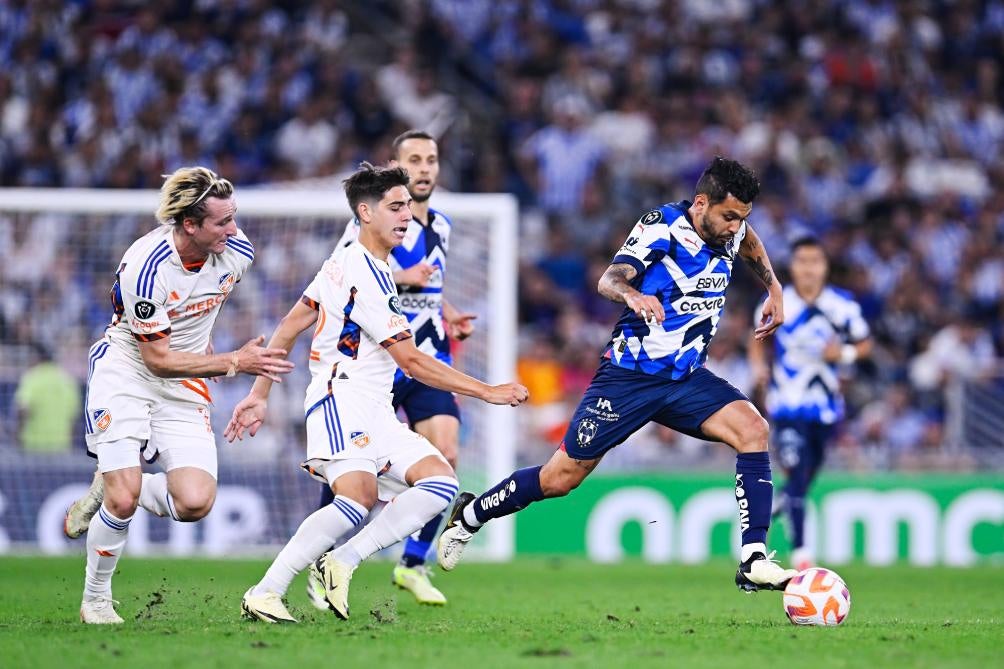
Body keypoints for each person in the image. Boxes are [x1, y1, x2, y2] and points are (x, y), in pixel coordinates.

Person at [437, 156, 799, 592]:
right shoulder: (661, 228)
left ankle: (753, 559)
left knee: (752, 429)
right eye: (728, 216)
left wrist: (773, 286)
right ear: (701, 203)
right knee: (559, 479)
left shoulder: (732, 225)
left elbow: (748, 241)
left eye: (741, 218)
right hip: (628, 378)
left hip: (684, 377)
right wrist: (633, 296)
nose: (734, 226)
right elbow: (608, 280)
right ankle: (471, 515)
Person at [229, 163, 527, 624]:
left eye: (408, 205)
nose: (407, 215)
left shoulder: (358, 263)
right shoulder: (362, 272)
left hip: (376, 406)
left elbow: (290, 325)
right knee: (356, 498)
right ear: (365, 212)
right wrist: (486, 390)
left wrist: (259, 394)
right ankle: (266, 591)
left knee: (439, 482)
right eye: (395, 206)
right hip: (340, 397)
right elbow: (412, 361)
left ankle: (341, 561)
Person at [62, 166, 295, 625]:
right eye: (222, 222)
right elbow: (157, 360)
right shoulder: (146, 268)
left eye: (234, 218)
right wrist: (233, 362)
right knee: (124, 499)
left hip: (184, 379)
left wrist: (207, 347)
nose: (235, 230)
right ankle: (96, 598)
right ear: (190, 225)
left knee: (194, 502)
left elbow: (193, 318)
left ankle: (108, 483)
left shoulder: (237, 253)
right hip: (128, 371)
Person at [312, 129, 475, 606]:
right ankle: (324, 562)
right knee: (354, 471)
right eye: (415, 160)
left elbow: (432, 287)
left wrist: (448, 314)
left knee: (445, 457)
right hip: (380, 362)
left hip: (427, 359)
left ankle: (412, 565)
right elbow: (340, 281)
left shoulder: (440, 225)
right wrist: (402, 277)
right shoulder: (367, 226)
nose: (425, 168)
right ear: (397, 167)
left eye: (432, 159)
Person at [748, 236, 872, 571]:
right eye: (802, 261)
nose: (808, 269)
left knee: (804, 478)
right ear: (793, 266)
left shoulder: (842, 305)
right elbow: (757, 339)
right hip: (786, 405)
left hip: (826, 408)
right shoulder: (778, 300)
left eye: (815, 262)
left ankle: (784, 502)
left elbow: (865, 344)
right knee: (797, 470)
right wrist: (758, 367)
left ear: (824, 267)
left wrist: (842, 353)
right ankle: (802, 555)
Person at [15, 343, 81, 453]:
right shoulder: (67, 380)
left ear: (36, 357)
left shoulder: (32, 377)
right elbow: (74, 417)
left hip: (33, 445)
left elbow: (23, 409)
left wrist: (17, 434)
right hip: (60, 445)